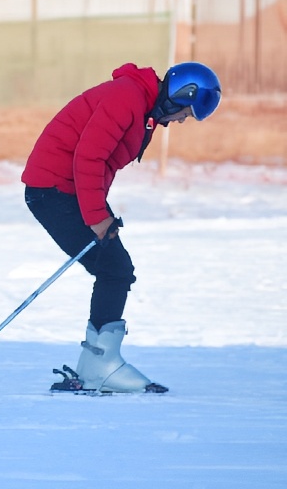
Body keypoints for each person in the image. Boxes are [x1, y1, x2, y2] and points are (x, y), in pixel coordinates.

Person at [22, 61, 221, 393]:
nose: (184, 119)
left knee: (115, 268)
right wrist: (98, 217)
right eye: (186, 110)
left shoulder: (142, 106)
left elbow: (101, 163)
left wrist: (100, 211)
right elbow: (89, 157)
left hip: (67, 189)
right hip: (52, 190)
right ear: (178, 96)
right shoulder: (126, 97)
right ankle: (99, 367)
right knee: (115, 268)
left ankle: (97, 365)